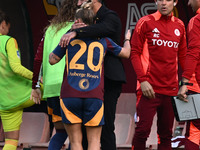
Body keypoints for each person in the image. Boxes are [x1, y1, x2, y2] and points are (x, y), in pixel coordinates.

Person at [49, 3, 131, 150]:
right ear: (94, 22)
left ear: (76, 21)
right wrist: (127, 39)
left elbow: (52, 59)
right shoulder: (104, 41)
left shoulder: (68, 38)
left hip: (70, 94)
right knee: (94, 142)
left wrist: (70, 33)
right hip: (94, 95)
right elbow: (126, 53)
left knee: (75, 142)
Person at [130, 0, 187, 149]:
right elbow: (134, 53)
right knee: (142, 131)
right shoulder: (145, 22)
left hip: (170, 90)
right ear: (155, 1)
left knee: (166, 134)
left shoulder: (180, 25)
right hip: (148, 89)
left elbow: (183, 56)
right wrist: (142, 80)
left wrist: (185, 83)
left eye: (168, 0)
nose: (163, 3)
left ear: (175, 2)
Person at [30, 0, 78, 149]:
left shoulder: (50, 29)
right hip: (69, 85)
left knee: (60, 131)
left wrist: (35, 86)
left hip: (51, 88)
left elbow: (38, 59)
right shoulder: (77, 28)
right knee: (75, 134)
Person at [0, 10, 36, 150]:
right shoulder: (8, 40)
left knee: (10, 141)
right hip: (22, 93)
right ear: (3, 24)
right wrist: (37, 79)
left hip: (4, 101)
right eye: (8, 26)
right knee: (55, 90)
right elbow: (16, 68)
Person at [177, 0, 200, 149]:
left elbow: (193, 52)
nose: (188, 3)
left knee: (193, 131)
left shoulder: (196, 20)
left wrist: (184, 83)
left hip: (196, 85)